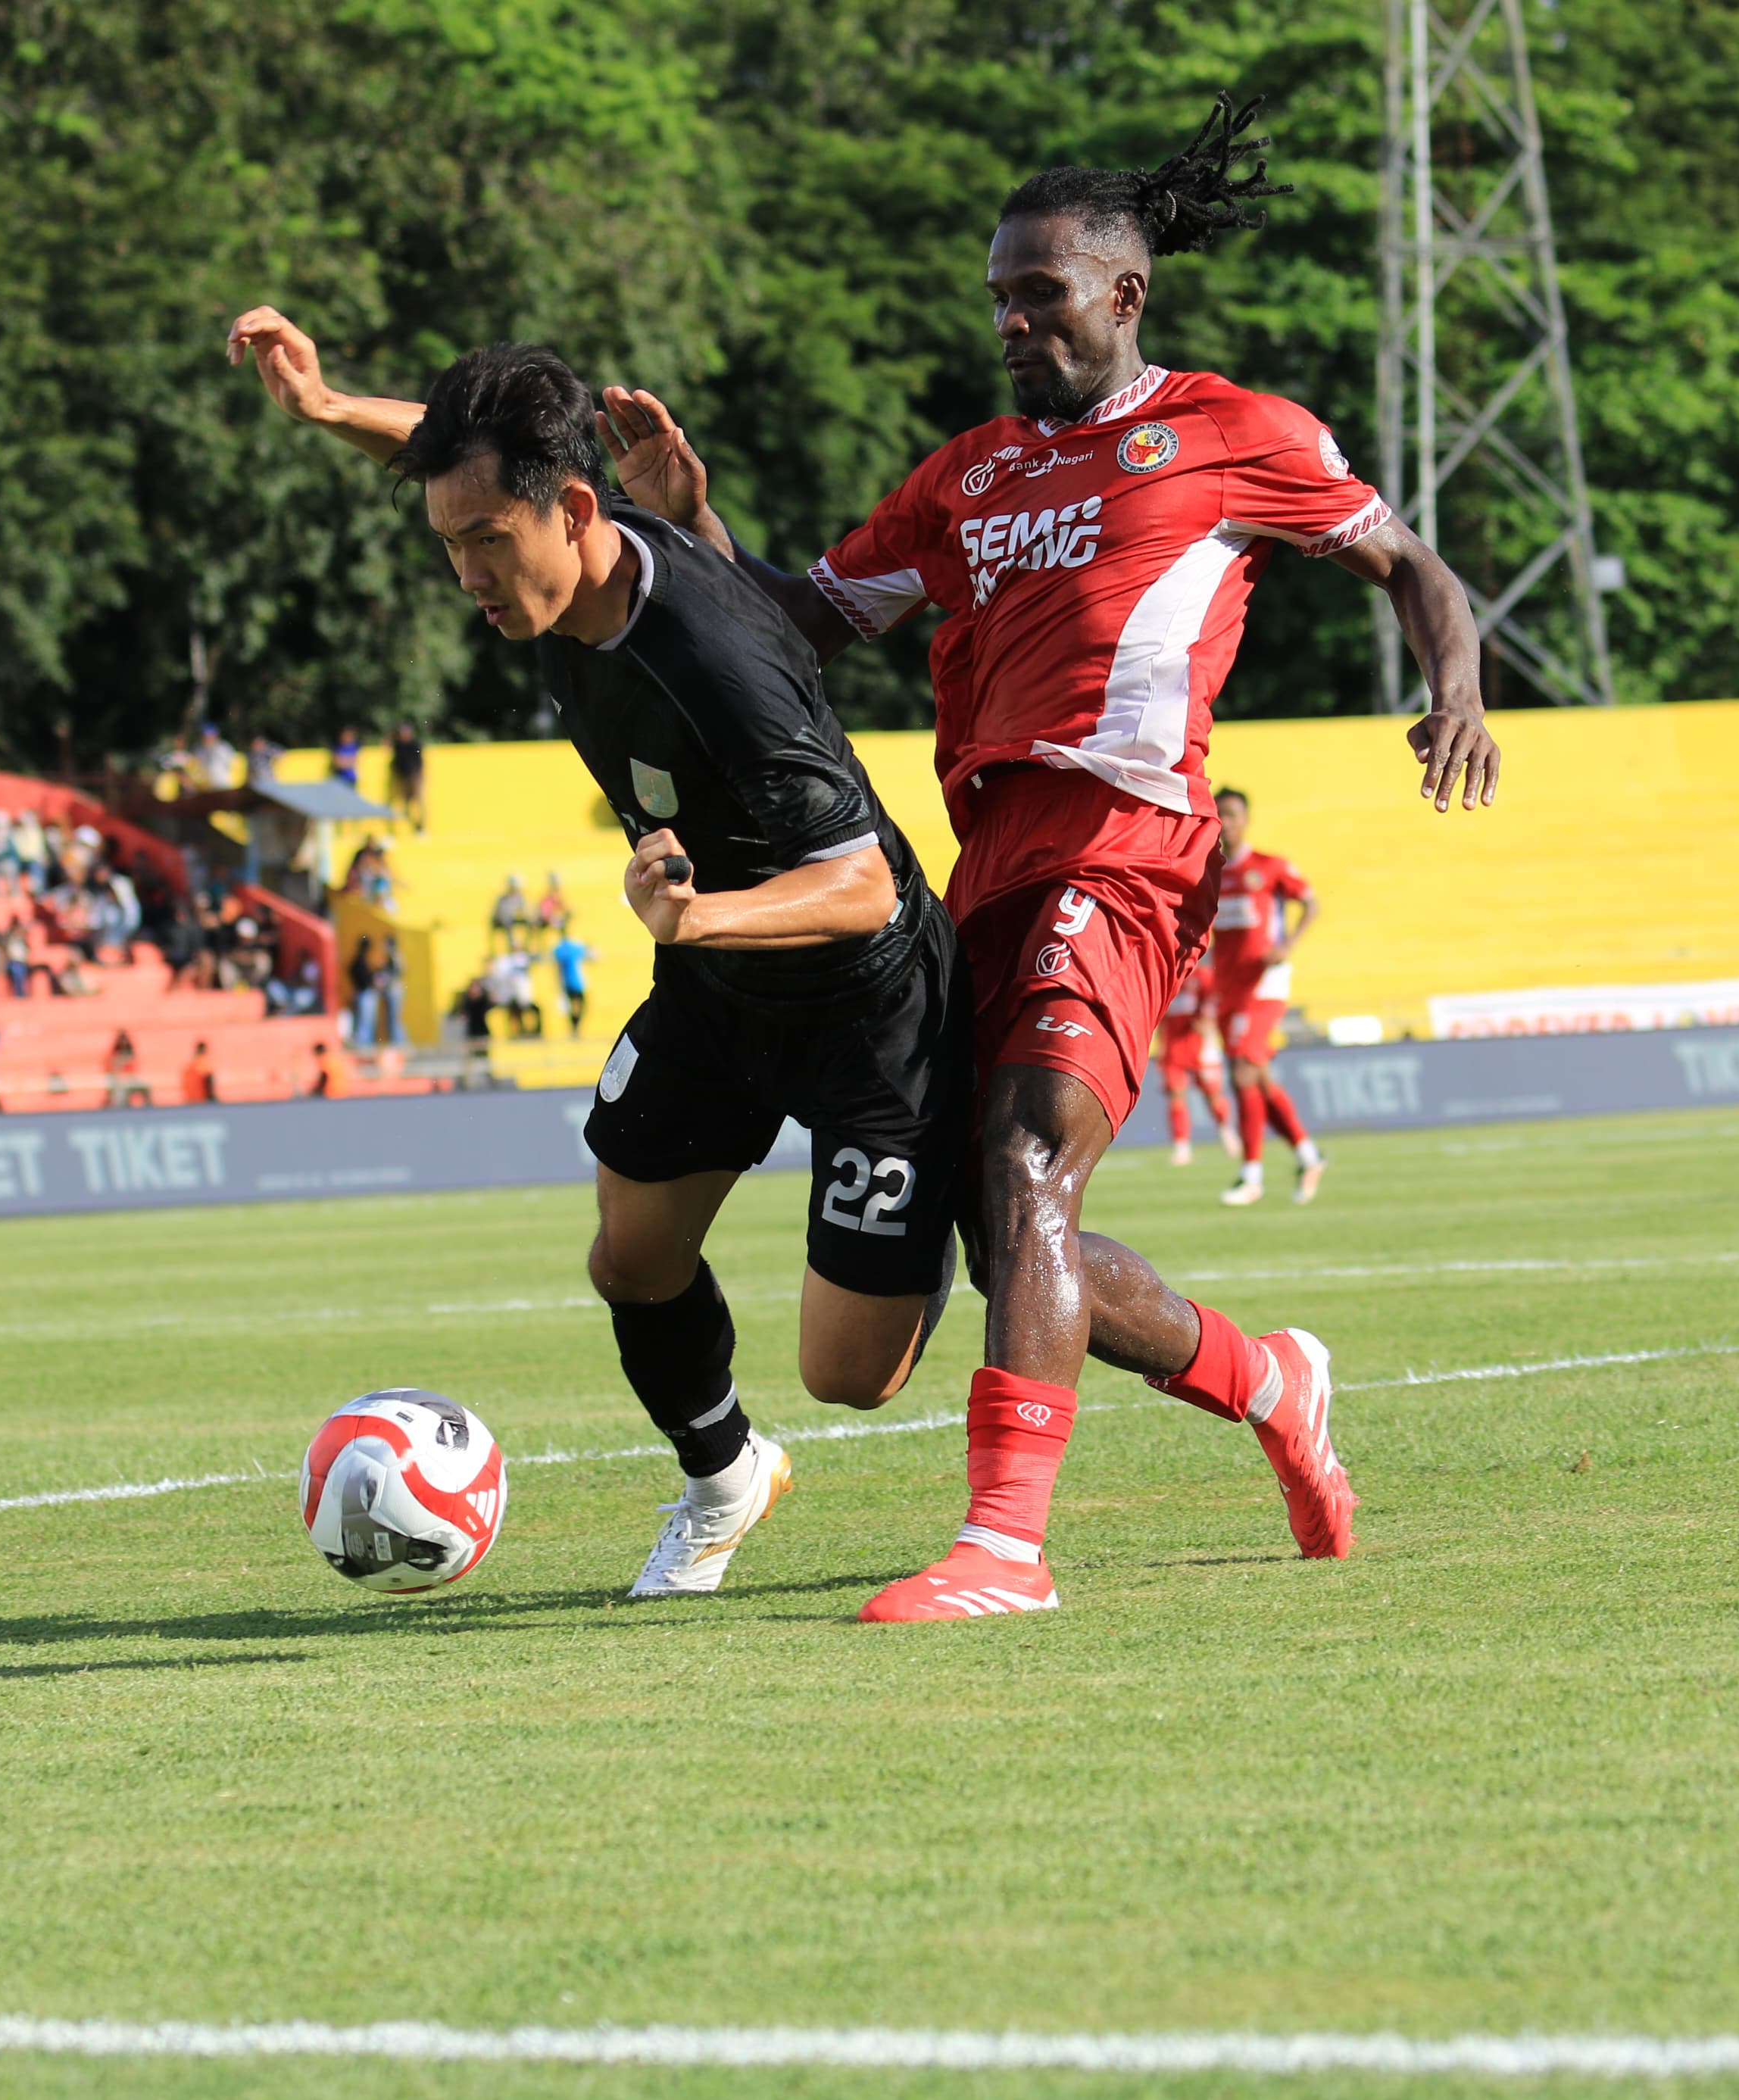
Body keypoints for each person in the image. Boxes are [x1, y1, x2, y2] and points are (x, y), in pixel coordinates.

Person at [601, 95, 1499, 1620]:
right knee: (1012, 1216)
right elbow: (795, 633)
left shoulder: (1235, 433)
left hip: (1129, 843)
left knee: (1024, 1170)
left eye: (1042, 294)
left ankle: (1004, 1548)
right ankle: (1269, 1381)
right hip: (989, 867)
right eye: (998, 298)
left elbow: (1408, 561)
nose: (1012, 320)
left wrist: (1455, 686)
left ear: (1124, 294)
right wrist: (694, 528)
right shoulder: (966, 478)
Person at [232, 316, 977, 1602]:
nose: (468, 570)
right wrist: (327, 405)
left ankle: (948, 1191)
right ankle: (728, 1475)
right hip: (720, 979)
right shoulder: (556, 548)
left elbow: (861, 885)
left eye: (486, 542)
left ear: (573, 510)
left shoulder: (713, 660)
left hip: (866, 997)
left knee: (855, 1371)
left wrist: (699, 920)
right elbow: (457, 458)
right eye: (450, 541)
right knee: (629, 1257)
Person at [1207, 786, 1325, 1206]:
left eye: (1234, 814)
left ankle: (1251, 1174)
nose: (1228, 822)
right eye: (1221, 814)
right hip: (1228, 988)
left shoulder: (1268, 867)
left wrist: (1288, 946)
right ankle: (1309, 1156)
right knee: (1258, 1075)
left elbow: (1311, 903)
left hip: (1265, 986)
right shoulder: (1212, 873)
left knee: (1241, 1069)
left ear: (1246, 819)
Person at [1155, 957, 1238, 1167]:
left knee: (1213, 1095)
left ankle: (1226, 1131)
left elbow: (1214, 1004)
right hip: (1173, 1046)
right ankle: (1182, 1147)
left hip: (1200, 1046)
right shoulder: (1166, 976)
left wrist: (1207, 1023)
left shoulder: (1204, 976)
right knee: (1177, 1095)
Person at [386, 719, 428, 833]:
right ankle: (413, 827)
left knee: (419, 803)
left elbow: (419, 763)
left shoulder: (414, 744)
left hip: (415, 777)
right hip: (403, 778)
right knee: (406, 805)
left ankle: (421, 827)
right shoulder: (398, 746)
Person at [551, 926, 593, 1032]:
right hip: (577, 982)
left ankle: (574, 1026)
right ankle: (575, 1025)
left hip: (567, 982)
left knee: (572, 1006)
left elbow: (557, 967)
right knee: (581, 1005)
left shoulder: (559, 949)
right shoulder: (574, 947)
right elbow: (590, 954)